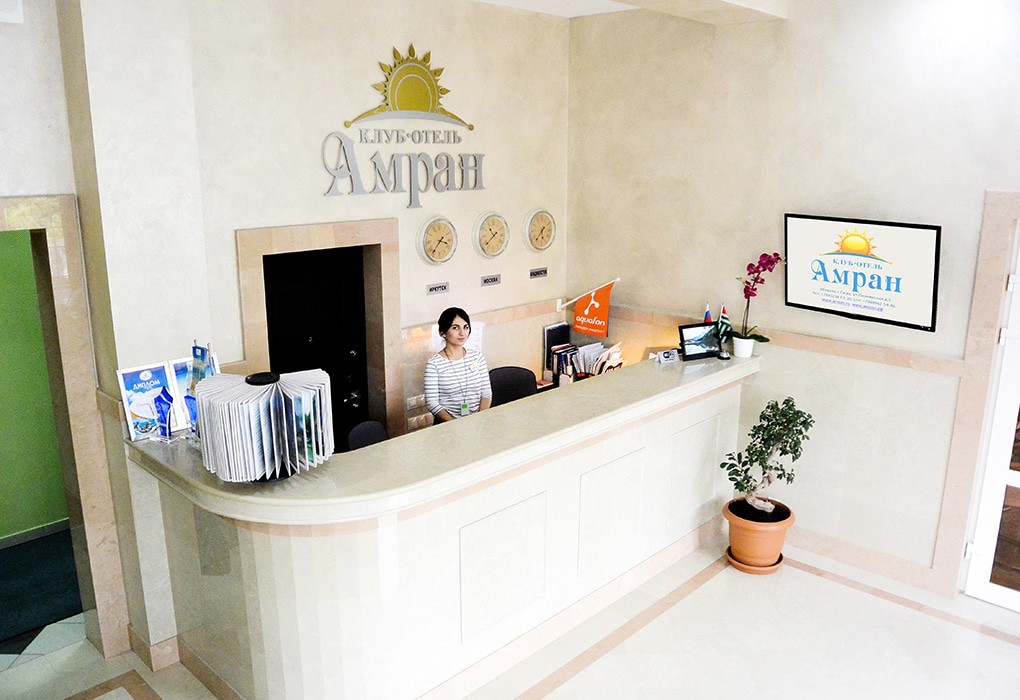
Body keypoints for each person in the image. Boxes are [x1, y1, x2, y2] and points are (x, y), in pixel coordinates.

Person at [424, 307, 492, 422]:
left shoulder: (477, 357)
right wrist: (456, 425)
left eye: (465, 327)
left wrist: (480, 419)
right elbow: (432, 403)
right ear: (443, 332)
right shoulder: (434, 364)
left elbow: (486, 393)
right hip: (449, 425)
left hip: (478, 421)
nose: (462, 333)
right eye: (455, 328)